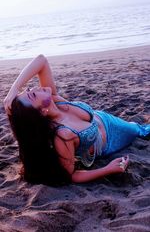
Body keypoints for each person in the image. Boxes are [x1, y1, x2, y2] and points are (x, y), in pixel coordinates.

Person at [4, 55, 150, 186]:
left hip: (105, 118)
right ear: (41, 112)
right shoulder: (62, 134)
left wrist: (13, 90)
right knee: (141, 131)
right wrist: (107, 169)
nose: (35, 88)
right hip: (111, 140)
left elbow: (41, 60)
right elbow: (71, 175)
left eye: (29, 90)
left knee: (139, 128)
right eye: (32, 96)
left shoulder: (54, 99)